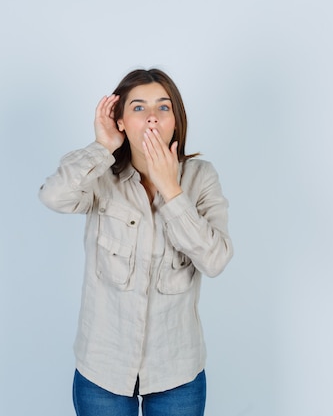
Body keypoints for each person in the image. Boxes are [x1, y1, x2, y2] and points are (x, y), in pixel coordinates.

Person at [38, 68, 233, 416]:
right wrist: (102, 147)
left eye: (163, 107)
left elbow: (216, 260)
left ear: (176, 119)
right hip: (103, 369)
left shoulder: (202, 178)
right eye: (139, 108)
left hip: (177, 371)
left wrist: (172, 191)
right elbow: (53, 196)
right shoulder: (101, 177)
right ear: (122, 121)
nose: (153, 118)